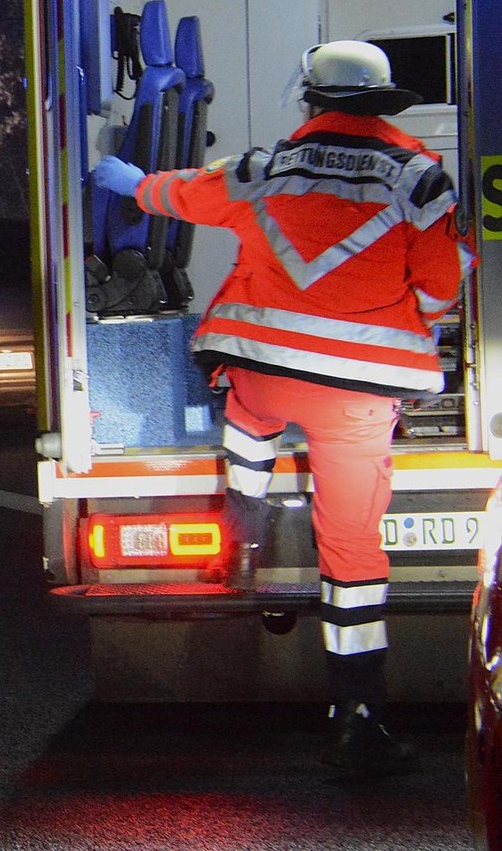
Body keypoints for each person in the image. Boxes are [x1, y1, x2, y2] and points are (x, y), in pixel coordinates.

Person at [93, 39, 471, 775]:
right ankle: (357, 717)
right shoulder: (423, 179)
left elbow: (184, 194)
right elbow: (440, 288)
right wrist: (407, 320)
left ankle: (246, 514)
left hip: (266, 372)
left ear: (310, 100)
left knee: (248, 413)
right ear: (384, 102)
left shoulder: (265, 168)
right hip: (357, 395)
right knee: (353, 549)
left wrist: (132, 182)